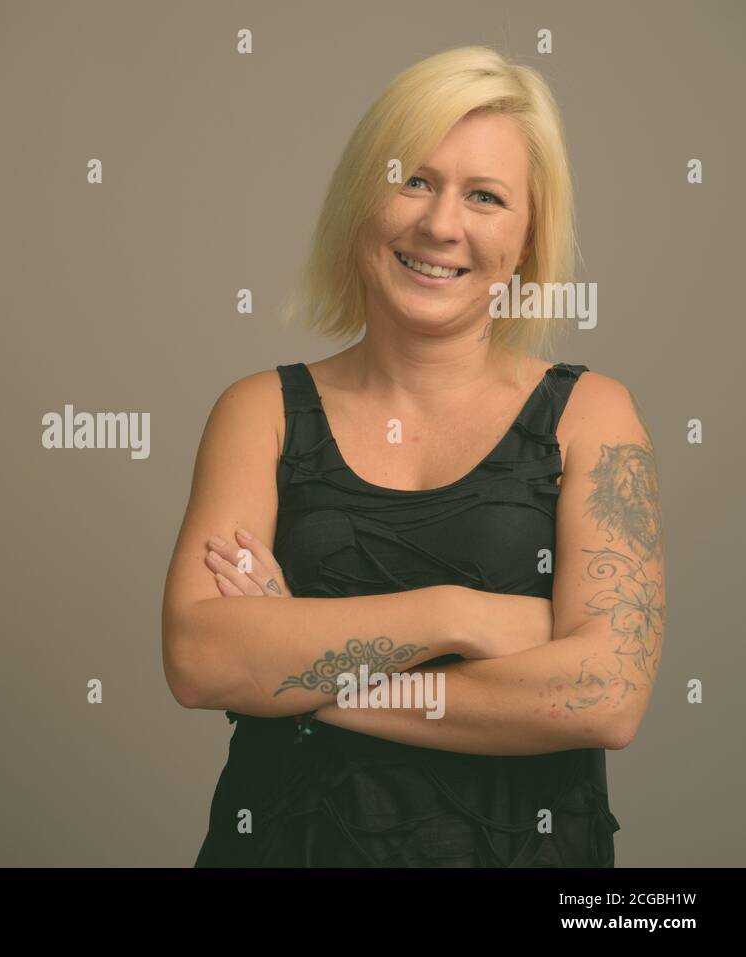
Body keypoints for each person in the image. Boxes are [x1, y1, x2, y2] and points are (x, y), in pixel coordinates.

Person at [161, 46, 667, 866]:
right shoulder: (258, 412)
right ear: (362, 196)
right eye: (414, 180)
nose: (441, 225)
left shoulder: (593, 416)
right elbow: (200, 659)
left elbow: (604, 696)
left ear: (528, 238)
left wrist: (300, 681)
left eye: (486, 197)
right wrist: (458, 616)